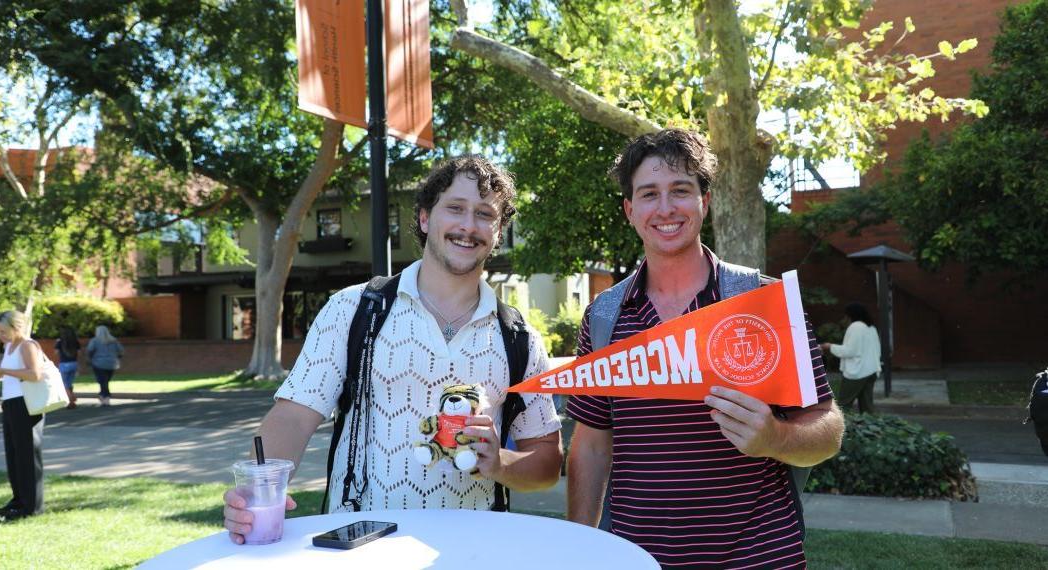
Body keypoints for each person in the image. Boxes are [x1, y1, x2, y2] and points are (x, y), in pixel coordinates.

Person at [223, 156, 563, 544]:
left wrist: (501, 462)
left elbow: (547, 461)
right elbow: (294, 417)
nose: (468, 226)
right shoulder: (353, 309)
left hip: (472, 551)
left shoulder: (518, 337)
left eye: (485, 214)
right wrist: (252, 492)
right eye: (455, 208)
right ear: (423, 218)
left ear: (498, 230)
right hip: (360, 550)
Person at [566, 129, 845, 567]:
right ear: (629, 210)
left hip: (760, 555)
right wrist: (579, 552)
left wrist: (776, 436)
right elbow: (592, 444)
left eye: (680, 190)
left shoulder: (764, 303)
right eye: (648, 194)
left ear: (705, 201)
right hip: (638, 558)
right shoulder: (603, 318)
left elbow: (827, 429)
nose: (665, 208)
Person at [0, 310, 46, 521]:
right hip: (11, 403)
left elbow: (35, 375)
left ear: (17, 327)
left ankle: (32, 506)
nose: (0, 336)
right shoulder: (9, 346)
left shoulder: (27, 345)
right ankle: (18, 500)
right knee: (13, 454)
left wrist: (5, 371)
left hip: (27, 404)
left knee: (27, 455)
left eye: (4, 331)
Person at [821, 302, 881, 414]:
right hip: (871, 371)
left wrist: (830, 346)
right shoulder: (871, 328)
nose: (845, 318)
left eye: (846, 315)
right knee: (867, 408)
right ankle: (870, 428)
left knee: (843, 406)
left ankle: (840, 430)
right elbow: (876, 350)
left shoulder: (855, 327)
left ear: (851, 315)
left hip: (857, 373)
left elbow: (849, 351)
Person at [86, 325, 123, 407]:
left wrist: (90, 359)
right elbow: (121, 351)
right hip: (111, 363)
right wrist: (116, 357)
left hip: (98, 363)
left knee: (102, 381)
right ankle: (103, 396)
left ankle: (105, 397)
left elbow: (90, 350)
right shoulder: (114, 341)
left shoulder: (95, 341)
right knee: (105, 381)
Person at [55, 326, 80, 409]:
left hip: (64, 363)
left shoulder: (60, 342)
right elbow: (79, 352)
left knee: (64, 384)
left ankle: (71, 399)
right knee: (69, 383)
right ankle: (71, 402)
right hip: (74, 363)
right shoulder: (75, 342)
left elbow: (56, 353)